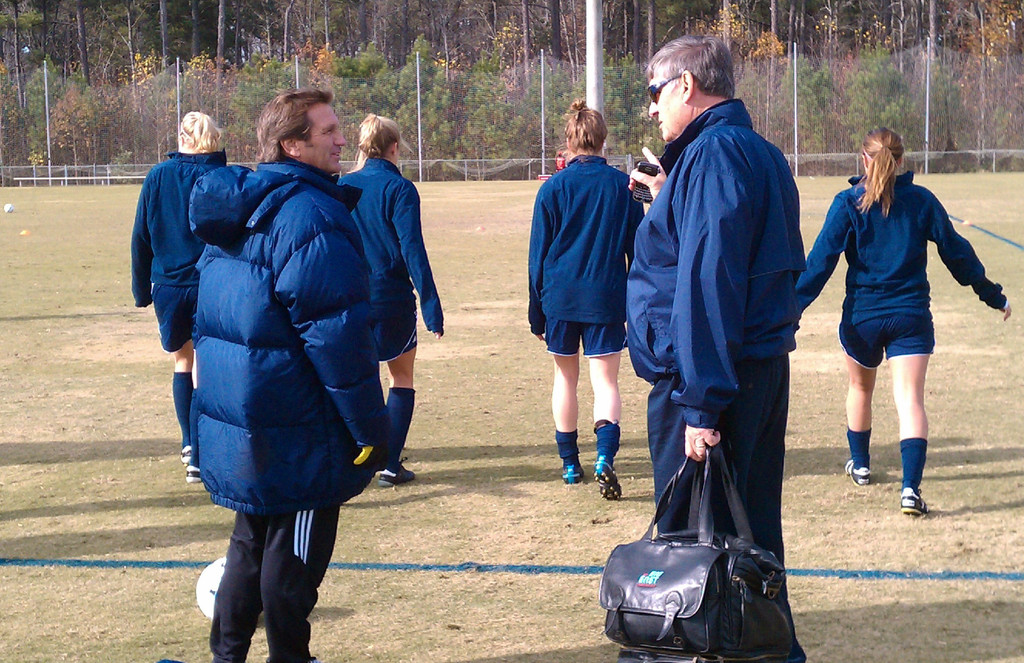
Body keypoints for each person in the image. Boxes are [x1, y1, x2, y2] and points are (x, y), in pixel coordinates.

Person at [188, 88, 389, 663]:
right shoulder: (309, 212)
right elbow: (336, 334)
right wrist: (370, 430)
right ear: (291, 145)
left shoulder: (244, 206)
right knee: (288, 560)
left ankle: (227, 656)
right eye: (327, 131)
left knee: (250, 543)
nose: (341, 139)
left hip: (245, 414)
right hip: (297, 420)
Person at [625, 36, 807, 663]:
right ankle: (765, 648)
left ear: (685, 86)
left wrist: (701, 405)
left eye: (655, 92)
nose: (651, 108)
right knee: (748, 533)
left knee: (693, 546)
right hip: (746, 369)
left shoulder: (716, 154)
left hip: (709, 381)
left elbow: (711, 280)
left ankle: (730, 650)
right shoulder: (755, 152)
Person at [795, 127, 1012, 516]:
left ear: (864, 160)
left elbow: (819, 264)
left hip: (863, 317)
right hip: (911, 316)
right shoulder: (922, 201)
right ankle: (910, 490)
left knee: (860, 389)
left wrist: (788, 311)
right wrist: (991, 294)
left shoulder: (848, 203)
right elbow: (956, 253)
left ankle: (860, 465)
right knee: (910, 400)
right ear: (901, 161)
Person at [528, 99, 644, 499]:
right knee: (605, 382)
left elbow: (537, 257)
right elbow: (639, 251)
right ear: (602, 140)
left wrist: (535, 312)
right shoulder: (622, 187)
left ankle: (569, 464)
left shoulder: (553, 189)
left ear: (569, 142)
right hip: (606, 297)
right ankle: (604, 458)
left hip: (559, 297)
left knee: (566, 379)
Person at [339, 114, 444, 488]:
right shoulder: (400, 189)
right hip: (391, 297)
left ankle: (355, 456)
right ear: (394, 147)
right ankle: (390, 464)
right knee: (401, 377)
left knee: (354, 378)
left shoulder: (343, 185)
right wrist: (432, 306)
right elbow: (412, 250)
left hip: (348, 296)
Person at [130, 111, 226, 484]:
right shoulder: (219, 176)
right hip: (209, 283)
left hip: (168, 286)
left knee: (182, 363)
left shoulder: (158, 176)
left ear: (181, 137)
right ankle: (199, 456)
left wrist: (141, 290)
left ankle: (189, 443)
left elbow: (141, 236)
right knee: (205, 368)